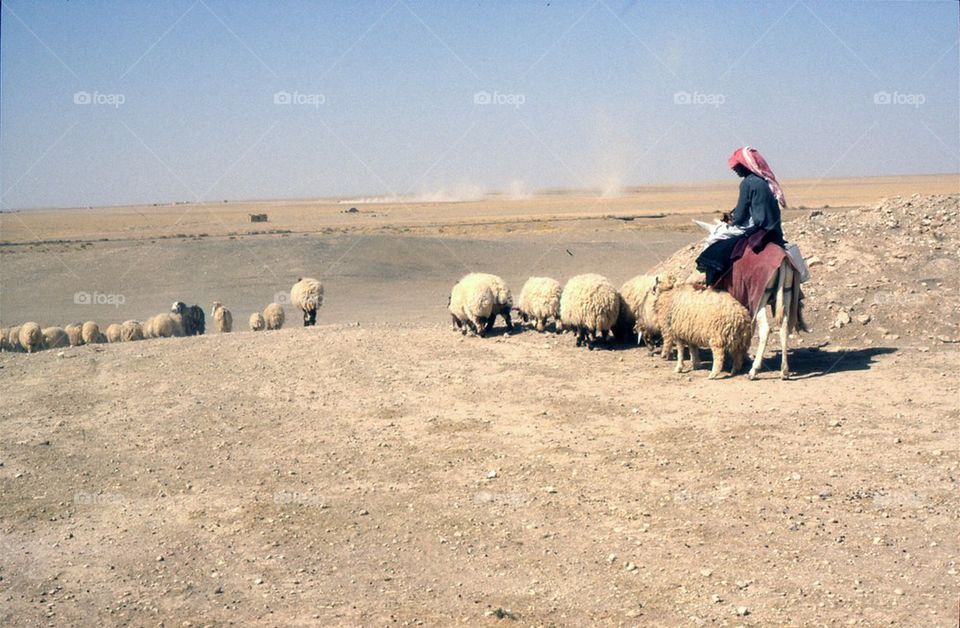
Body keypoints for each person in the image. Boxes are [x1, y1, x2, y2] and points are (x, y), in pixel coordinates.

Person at [696, 146, 788, 285]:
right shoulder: (767, 182)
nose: (734, 169)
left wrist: (731, 221)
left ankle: (710, 282)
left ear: (746, 166)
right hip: (775, 231)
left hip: (758, 229)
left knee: (714, 241)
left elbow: (740, 216)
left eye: (737, 166)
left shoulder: (747, 183)